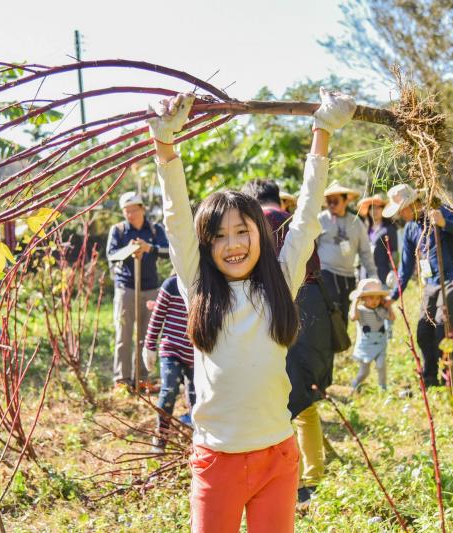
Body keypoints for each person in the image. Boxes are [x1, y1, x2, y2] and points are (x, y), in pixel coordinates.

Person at [149, 89, 353, 532]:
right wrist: (165, 145)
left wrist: (322, 131)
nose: (233, 244)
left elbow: (306, 217)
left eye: (242, 231)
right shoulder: (198, 286)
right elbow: (177, 219)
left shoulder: (280, 282)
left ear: (261, 233)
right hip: (216, 461)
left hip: (277, 458)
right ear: (206, 246)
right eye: (219, 236)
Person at [241, 178, 331, 507]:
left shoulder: (261, 223)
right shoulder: (295, 220)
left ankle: (305, 479)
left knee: (290, 401)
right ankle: (311, 474)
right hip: (313, 307)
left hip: (284, 311)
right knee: (303, 398)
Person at [384, 184, 453, 389]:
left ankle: (452, 379)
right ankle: (430, 378)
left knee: (443, 330)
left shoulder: (440, 211)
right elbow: (405, 267)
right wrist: (393, 296)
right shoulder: (410, 229)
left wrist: (443, 224)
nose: (400, 214)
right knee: (424, 330)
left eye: (402, 209)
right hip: (430, 283)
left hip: (451, 280)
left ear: (414, 203)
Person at [106, 191, 170, 392]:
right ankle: (122, 379)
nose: (130, 214)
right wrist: (130, 249)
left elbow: (168, 251)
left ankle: (142, 378)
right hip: (126, 287)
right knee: (123, 335)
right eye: (126, 211)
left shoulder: (155, 229)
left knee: (147, 335)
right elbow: (111, 256)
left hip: (150, 288)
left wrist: (148, 248)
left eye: (134, 210)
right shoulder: (118, 230)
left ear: (142, 209)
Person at [143, 274, 195, 451]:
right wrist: (149, 346)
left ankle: (198, 440)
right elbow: (157, 317)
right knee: (169, 390)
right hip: (172, 350)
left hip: (197, 354)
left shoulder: (206, 283)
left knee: (197, 397)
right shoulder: (171, 285)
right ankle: (161, 436)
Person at [317, 182, 378, 335]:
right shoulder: (320, 220)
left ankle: (337, 350)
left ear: (345, 201)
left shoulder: (356, 223)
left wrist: (373, 276)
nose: (331, 205)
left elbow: (365, 252)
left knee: (343, 318)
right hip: (326, 275)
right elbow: (310, 249)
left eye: (335, 201)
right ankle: (327, 352)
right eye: (328, 201)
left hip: (348, 278)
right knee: (328, 316)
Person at [349, 278, 395, 392]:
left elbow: (392, 318)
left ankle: (382, 387)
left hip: (380, 344)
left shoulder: (381, 310)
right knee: (364, 372)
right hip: (366, 346)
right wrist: (355, 302)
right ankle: (355, 383)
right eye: (371, 297)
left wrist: (388, 305)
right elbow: (353, 317)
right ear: (363, 298)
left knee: (381, 365)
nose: (375, 301)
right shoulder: (360, 310)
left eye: (378, 297)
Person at [357, 194, 398, 287]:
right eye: (372, 208)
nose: (374, 211)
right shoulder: (365, 229)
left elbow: (394, 253)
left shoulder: (389, 229)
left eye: (378, 208)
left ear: (383, 209)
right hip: (365, 274)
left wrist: (393, 271)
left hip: (382, 274)